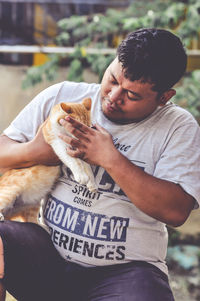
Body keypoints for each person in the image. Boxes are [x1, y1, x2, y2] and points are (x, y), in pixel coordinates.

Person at [0, 28, 200, 301]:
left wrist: (110, 158)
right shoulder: (63, 96)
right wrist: (34, 151)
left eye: (131, 95)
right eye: (112, 79)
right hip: (47, 256)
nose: (113, 96)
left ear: (164, 97)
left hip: (126, 272)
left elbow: (176, 210)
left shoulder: (178, 127)